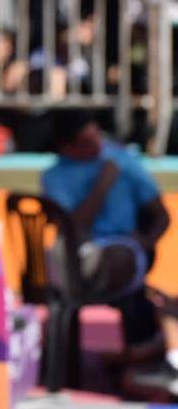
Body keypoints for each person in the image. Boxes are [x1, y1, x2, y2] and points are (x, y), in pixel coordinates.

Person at [42, 111, 172, 366]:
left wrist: (148, 241)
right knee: (65, 259)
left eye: (97, 136)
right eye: (87, 141)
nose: (97, 145)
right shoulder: (55, 176)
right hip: (76, 254)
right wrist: (102, 186)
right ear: (67, 146)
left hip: (122, 250)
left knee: (116, 259)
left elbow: (161, 215)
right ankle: (142, 349)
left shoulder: (123, 161)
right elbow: (75, 228)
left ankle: (144, 350)